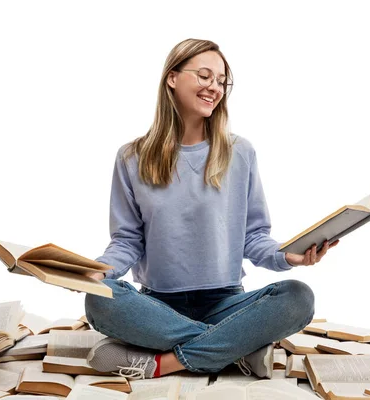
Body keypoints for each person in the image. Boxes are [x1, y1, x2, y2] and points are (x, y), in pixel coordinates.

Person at [84, 38, 338, 380]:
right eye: (204, 76)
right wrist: (98, 271)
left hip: (226, 303)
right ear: (172, 78)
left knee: (297, 297)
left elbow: (254, 236)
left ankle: (164, 362)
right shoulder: (131, 157)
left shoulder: (240, 152)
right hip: (158, 305)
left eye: (221, 81)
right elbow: (127, 240)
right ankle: (237, 347)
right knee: (100, 299)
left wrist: (286, 256)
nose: (214, 88)